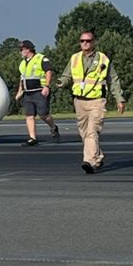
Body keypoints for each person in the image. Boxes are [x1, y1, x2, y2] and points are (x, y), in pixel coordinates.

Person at [52, 31, 126, 173]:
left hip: (97, 101)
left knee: (92, 132)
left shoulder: (103, 59)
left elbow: (113, 80)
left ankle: (89, 161)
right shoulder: (74, 58)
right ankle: (97, 156)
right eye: (82, 41)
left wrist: (119, 99)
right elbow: (67, 75)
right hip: (79, 102)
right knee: (84, 133)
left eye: (88, 40)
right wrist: (61, 82)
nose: (85, 43)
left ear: (94, 42)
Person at [13, 40, 60, 146]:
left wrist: (47, 86)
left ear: (28, 49)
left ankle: (53, 127)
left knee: (43, 114)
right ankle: (32, 138)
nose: (20, 52)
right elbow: (22, 78)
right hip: (27, 93)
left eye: (21, 49)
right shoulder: (22, 63)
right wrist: (19, 92)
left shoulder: (41, 59)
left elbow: (48, 71)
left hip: (39, 91)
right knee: (29, 115)